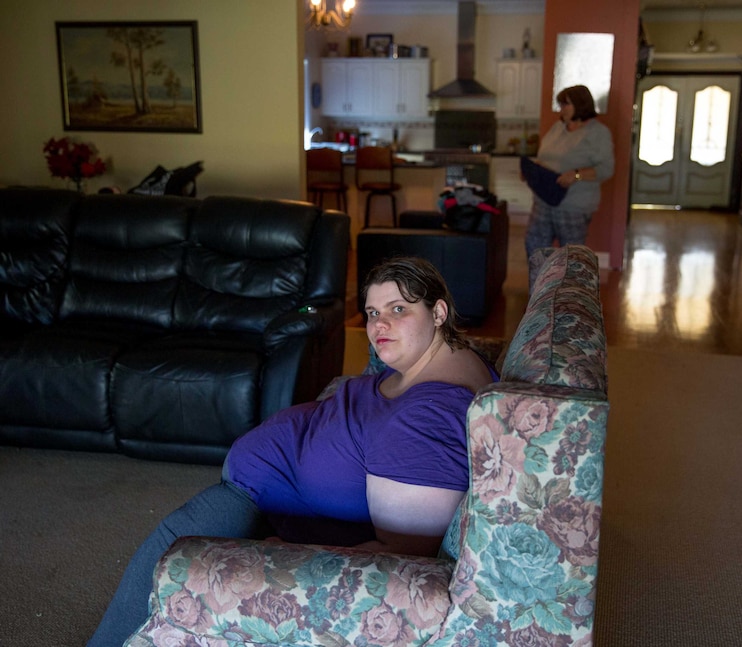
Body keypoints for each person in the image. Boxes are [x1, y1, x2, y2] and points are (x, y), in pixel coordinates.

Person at [88, 256, 499, 646]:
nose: (378, 325)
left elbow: (400, 557)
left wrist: (281, 556)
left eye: (397, 309)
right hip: (272, 493)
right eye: (372, 313)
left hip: (253, 499)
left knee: (161, 563)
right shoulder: (451, 359)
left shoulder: (428, 417)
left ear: (439, 313)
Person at [524, 84, 614, 286]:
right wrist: (534, 170)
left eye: (566, 104)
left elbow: (607, 169)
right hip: (543, 201)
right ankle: (538, 301)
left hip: (573, 207)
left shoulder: (598, 133)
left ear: (581, 105)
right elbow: (545, 156)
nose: (561, 108)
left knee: (570, 259)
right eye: (561, 104)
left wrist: (576, 175)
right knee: (535, 250)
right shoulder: (558, 128)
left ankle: (568, 305)